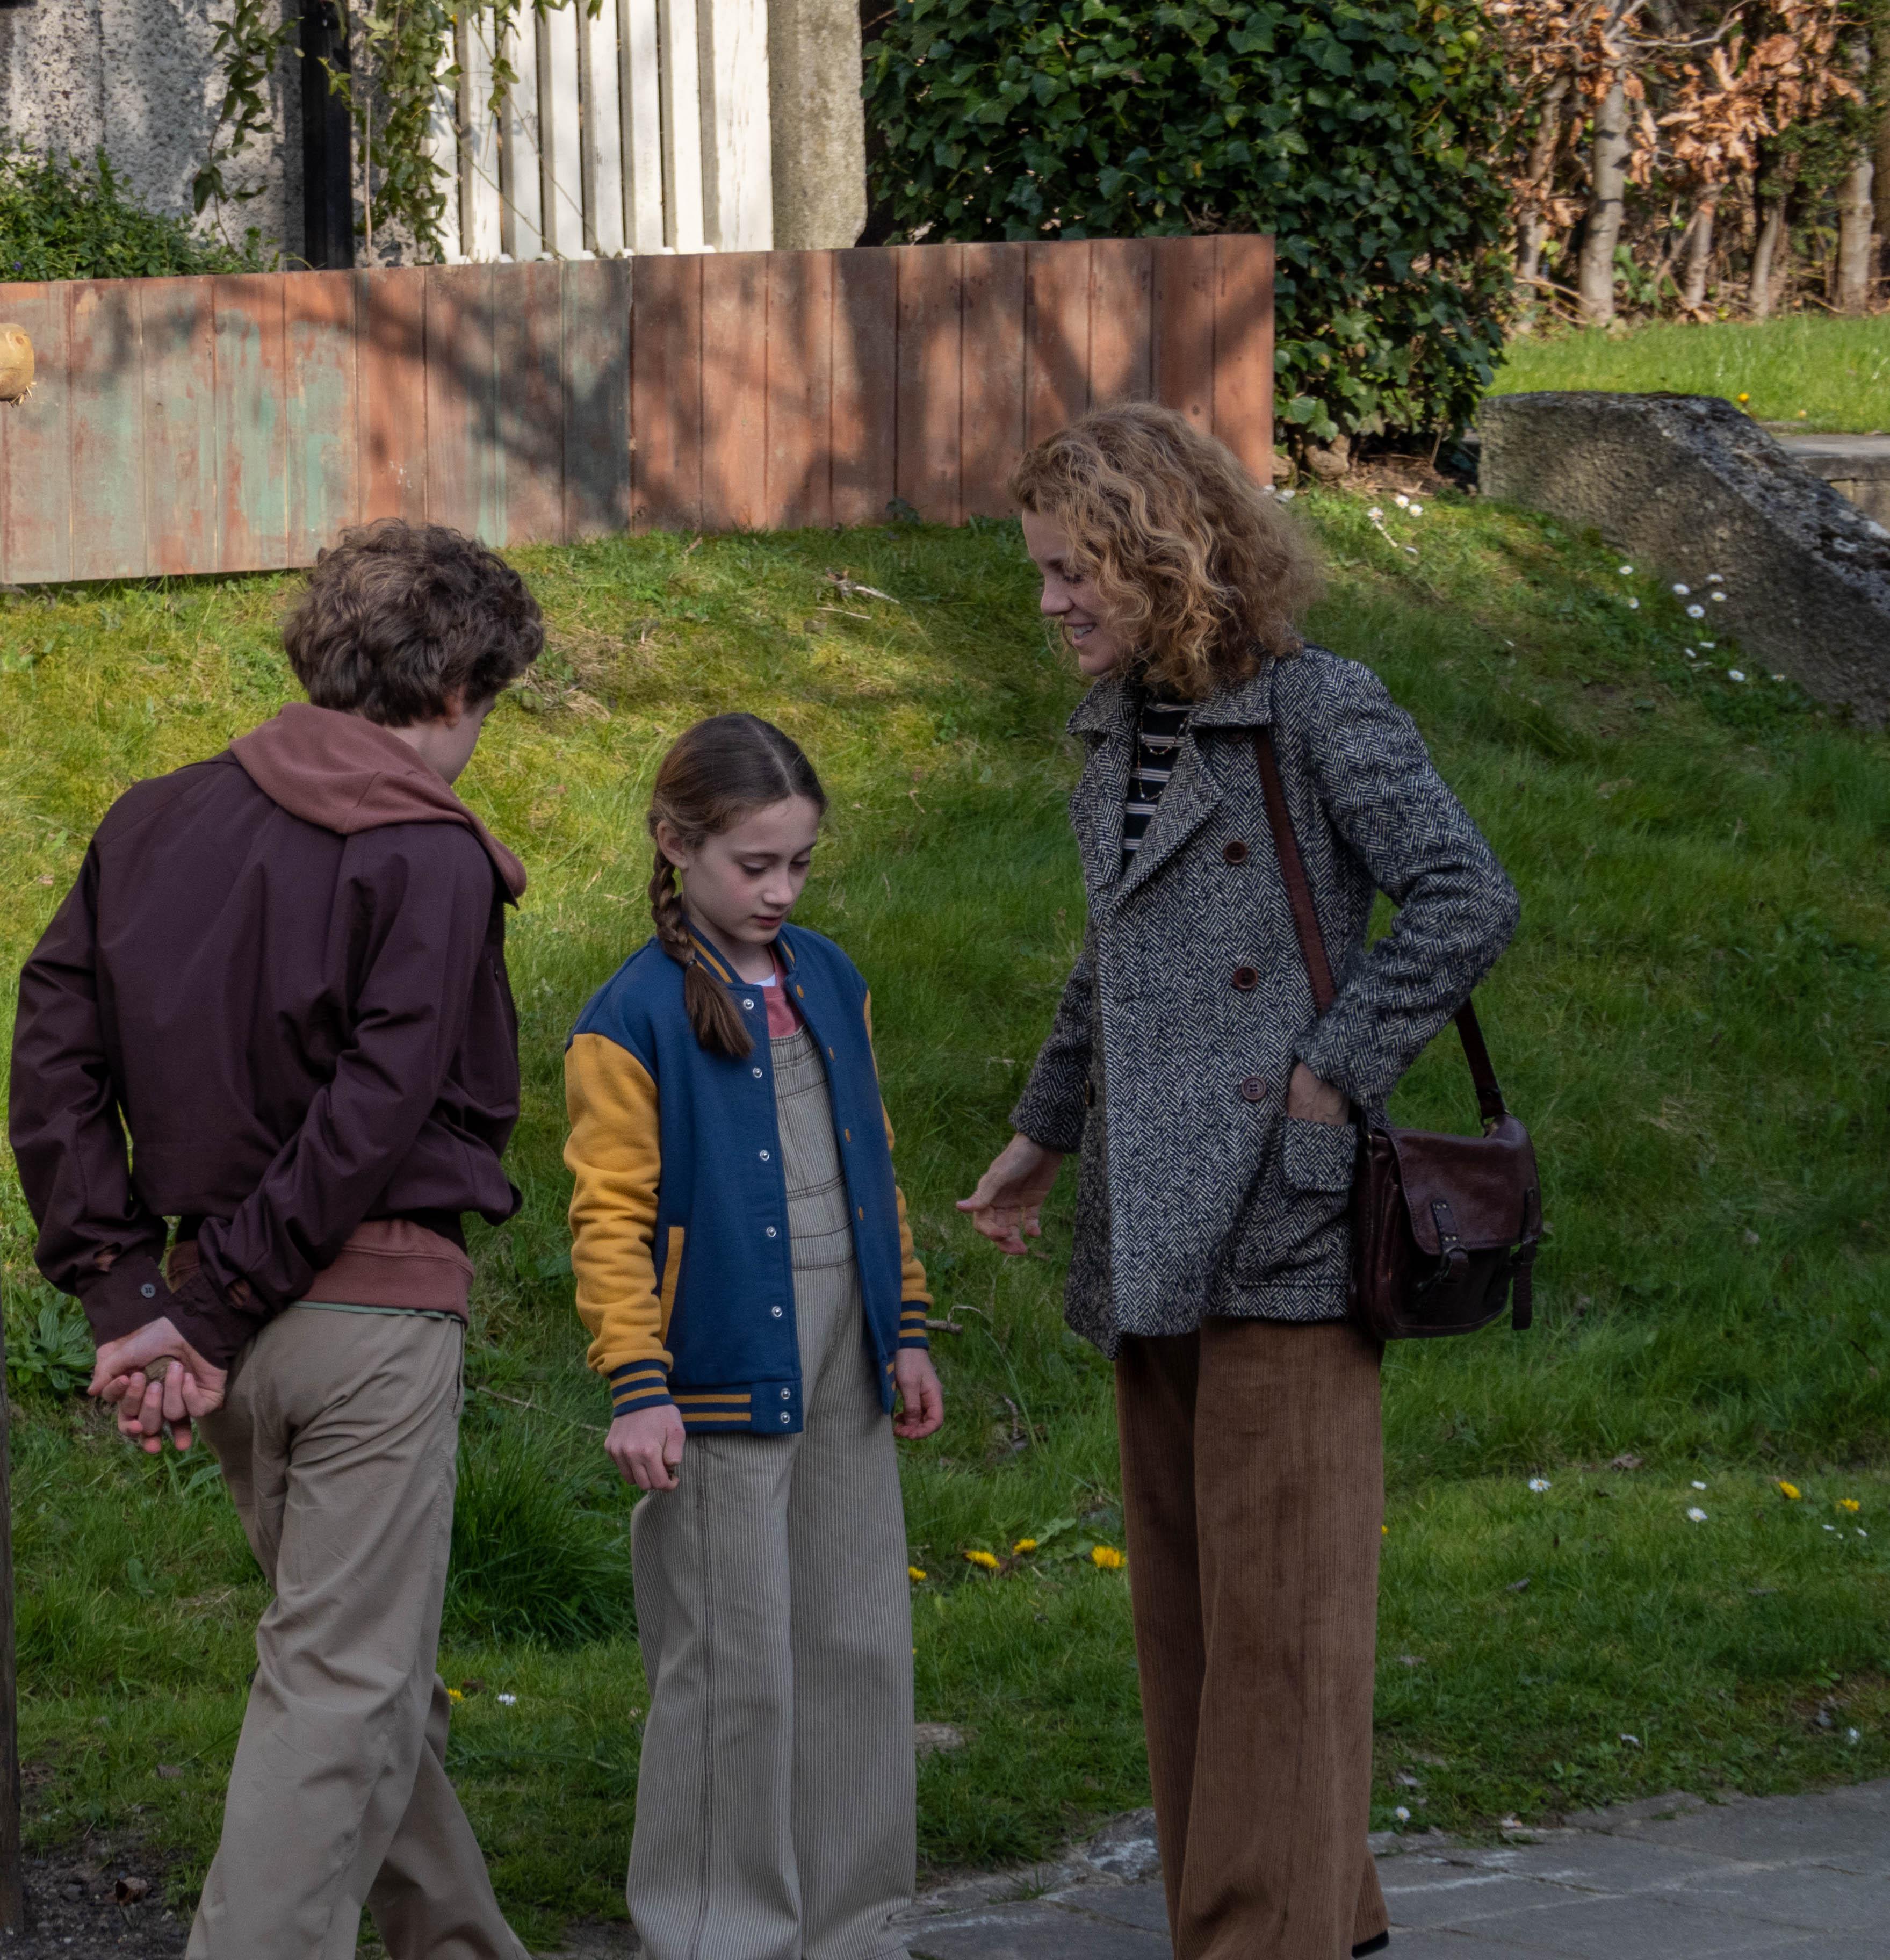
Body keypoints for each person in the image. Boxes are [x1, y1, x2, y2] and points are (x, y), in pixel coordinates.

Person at [958, 405, 1521, 1960]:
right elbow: (1113, 960)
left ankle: (1246, 1938)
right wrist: (1042, 1132)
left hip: (1285, 1216)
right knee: (1195, 1619)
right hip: (1153, 1221)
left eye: (1074, 571)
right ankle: (1311, 1915)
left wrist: (1329, 1073)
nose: (1051, 601)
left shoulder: (1320, 709)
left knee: (1283, 1620)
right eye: (1040, 574)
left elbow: (1467, 896)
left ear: (1165, 554)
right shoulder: (1117, 732)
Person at [9, 518, 543, 1960]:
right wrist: (201, 1306)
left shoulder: (151, 818)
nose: (479, 742)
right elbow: (379, 1109)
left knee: (353, 1675)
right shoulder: (425, 853)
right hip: (351, 1319)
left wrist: (134, 1297)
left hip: (214, 1331)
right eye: (488, 709)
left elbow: (51, 1063)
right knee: (341, 1684)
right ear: (452, 690)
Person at [562, 712, 944, 1960]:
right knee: (735, 1670)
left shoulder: (831, 977)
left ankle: (857, 1926)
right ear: (675, 847)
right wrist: (638, 1385)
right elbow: (607, 1219)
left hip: (852, 1357)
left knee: (853, 1647)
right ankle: (718, 1934)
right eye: (754, 865)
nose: (780, 891)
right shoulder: (632, 1018)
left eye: (799, 864)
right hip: (715, 1372)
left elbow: (874, 1165)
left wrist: (911, 1326)